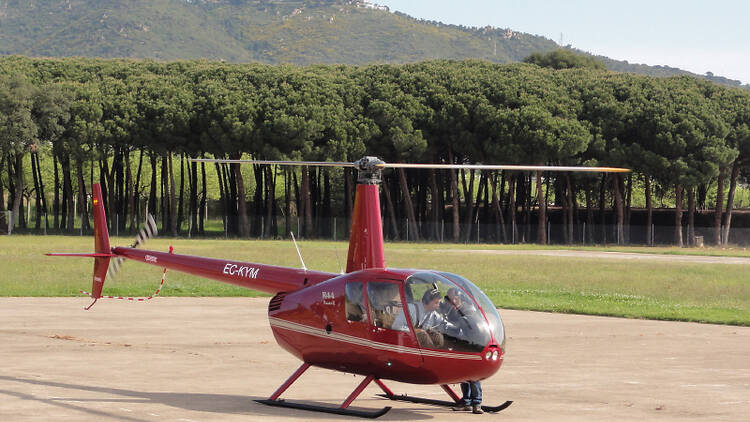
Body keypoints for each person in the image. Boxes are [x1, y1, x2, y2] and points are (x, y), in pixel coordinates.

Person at [392, 288, 459, 348]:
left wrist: (457, 329)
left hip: (419, 345)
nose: (438, 306)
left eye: (439, 303)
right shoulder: (411, 309)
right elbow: (396, 326)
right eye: (436, 303)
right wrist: (415, 331)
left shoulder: (432, 313)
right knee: (423, 335)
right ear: (427, 301)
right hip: (405, 343)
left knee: (438, 337)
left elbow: (443, 323)